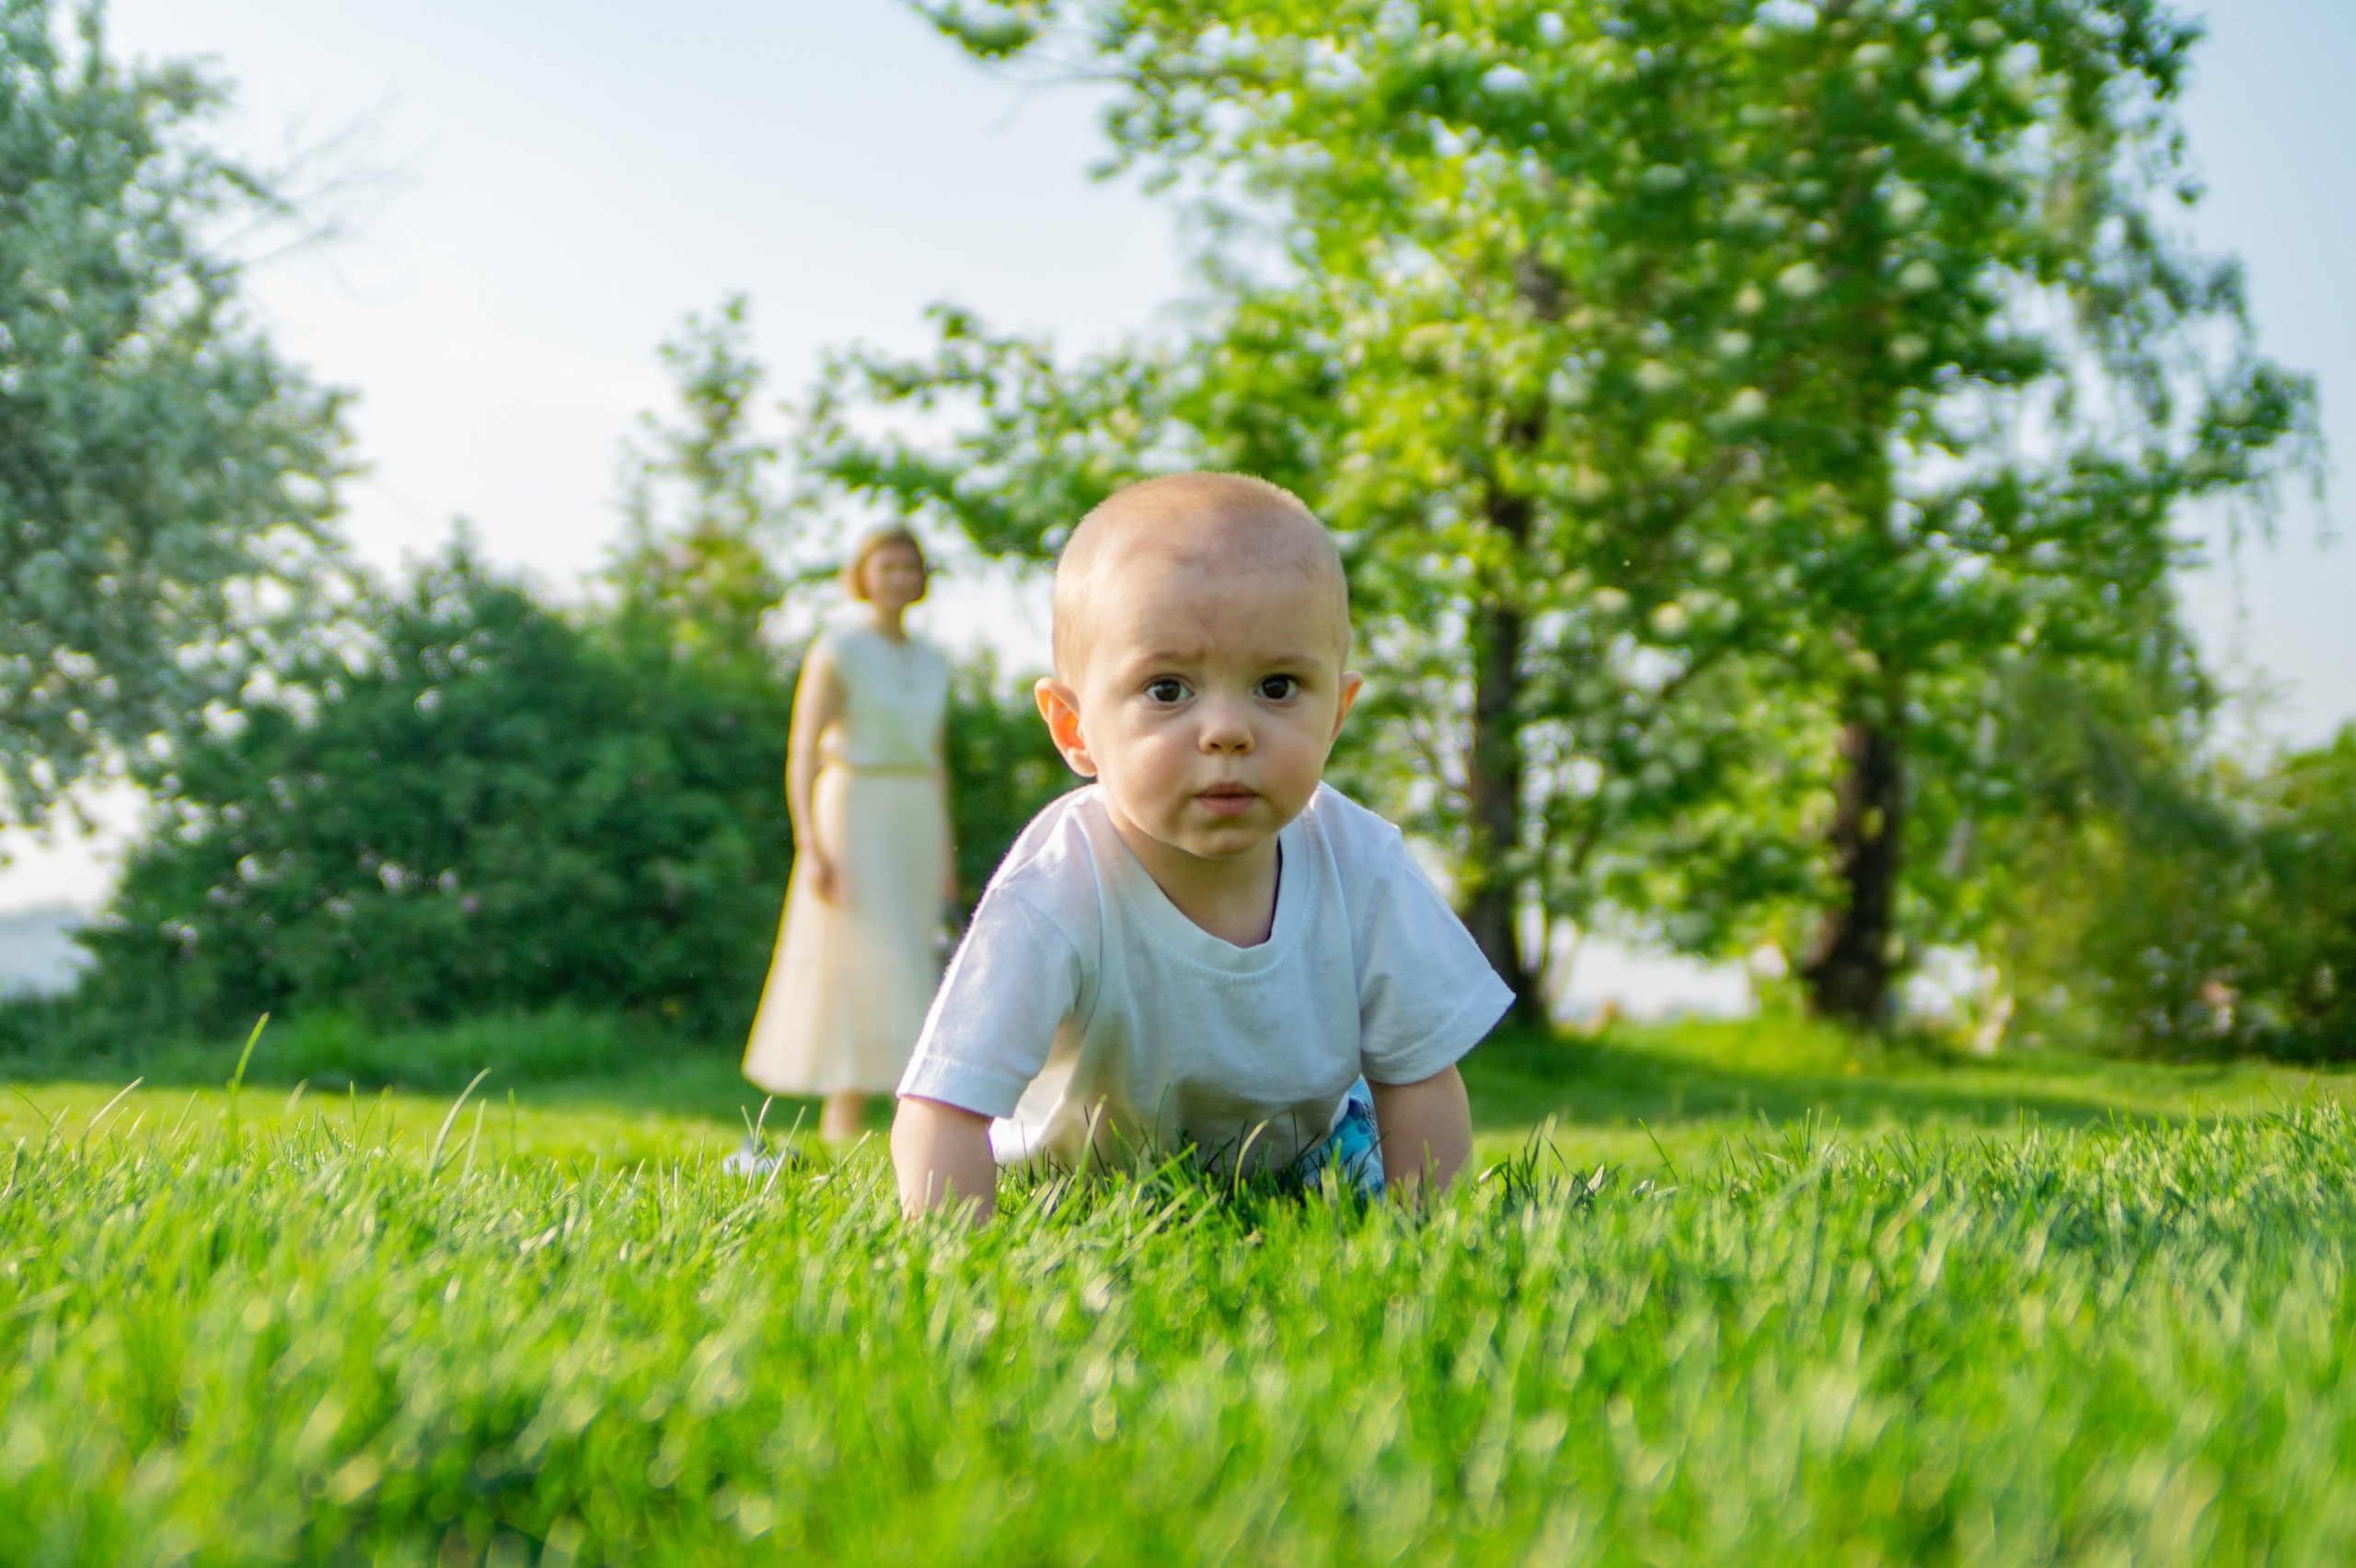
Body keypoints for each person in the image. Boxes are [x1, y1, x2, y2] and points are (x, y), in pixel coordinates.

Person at [890, 472, 1511, 1222]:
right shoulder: (1058, 886)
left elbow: (1418, 1076)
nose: (1228, 729)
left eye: (1277, 687)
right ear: (1073, 728)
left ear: (1337, 713)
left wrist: (1426, 1237)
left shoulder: (1361, 860)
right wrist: (963, 1259)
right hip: (1080, 1182)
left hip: (1312, 1166)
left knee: (1362, 1150)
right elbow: (944, 1103)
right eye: (1167, 690)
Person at [742, 526, 956, 1147]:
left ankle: (912, 1125)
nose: (897, 578)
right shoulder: (837, 649)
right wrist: (810, 843)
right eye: (885, 566)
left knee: (914, 955)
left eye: (908, 567)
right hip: (853, 807)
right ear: (862, 575)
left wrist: (946, 851)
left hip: (913, 811)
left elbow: (936, 758)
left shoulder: (934, 659)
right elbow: (803, 748)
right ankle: (847, 1123)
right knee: (866, 956)